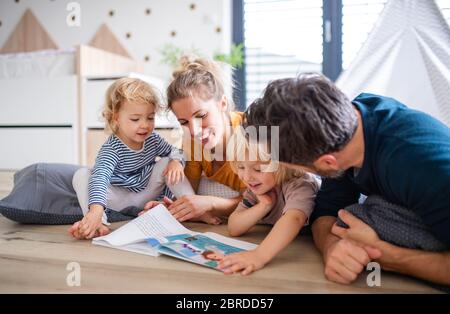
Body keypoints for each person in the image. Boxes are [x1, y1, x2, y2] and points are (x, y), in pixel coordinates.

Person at [243, 73, 450, 286]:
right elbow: (326, 211)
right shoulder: (341, 131)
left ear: (328, 163)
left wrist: (383, 255)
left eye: (291, 167)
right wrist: (331, 247)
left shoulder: (421, 166)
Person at [69, 78, 185, 239]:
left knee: (170, 161)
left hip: (146, 194)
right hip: (117, 198)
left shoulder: (153, 139)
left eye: (150, 118)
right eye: (135, 119)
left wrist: (176, 161)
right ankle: (97, 221)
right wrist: (96, 209)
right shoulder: (112, 148)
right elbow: (100, 178)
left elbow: (177, 151)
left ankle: (189, 204)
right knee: (82, 174)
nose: (144, 125)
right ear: (116, 118)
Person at [140, 56, 247, 223]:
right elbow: (190, 194)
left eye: (201, 116)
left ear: (223, 104)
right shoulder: (191, 140)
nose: (194, 130)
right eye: (183, 122)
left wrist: (211, 202)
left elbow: (260, 200)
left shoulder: (251, 134)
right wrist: (172, 208)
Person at [217, 128, 318, 275]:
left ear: (283, 164)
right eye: (240, 167)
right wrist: (264, 206)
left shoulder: (299, 184)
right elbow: (234, 227)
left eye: (258, 169)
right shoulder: (256, 188)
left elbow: (294, 218)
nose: (246, 177)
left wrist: (259, 255)